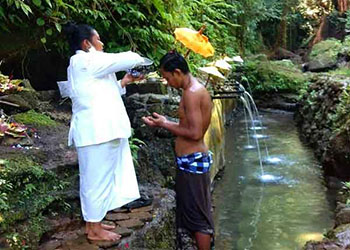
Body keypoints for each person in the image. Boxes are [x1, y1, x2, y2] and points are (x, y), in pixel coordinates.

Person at [61, 23, 143, 241]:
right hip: (97, 132)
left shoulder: (86, 65)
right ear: (87, 43)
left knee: (100, 178)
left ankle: (94, 221)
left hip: (101, 131)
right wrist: (138, 59)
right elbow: (126, 58)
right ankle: (94, 230)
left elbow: (102, 92)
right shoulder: (85, 60)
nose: (102, 43)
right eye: (98, 39)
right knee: (95, 180)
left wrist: (124, 81)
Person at [142, 51, 214, 250]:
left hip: (192, 159)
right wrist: (166, 121)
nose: (166, 82)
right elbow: (190, 126)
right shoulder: (193, 89)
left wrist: (164, 125)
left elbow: (195, 132)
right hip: (191, 160)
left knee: (198, 217)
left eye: (167, 78)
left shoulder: (192, 93)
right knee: (192, 212)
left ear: (177, 72)